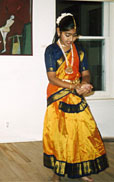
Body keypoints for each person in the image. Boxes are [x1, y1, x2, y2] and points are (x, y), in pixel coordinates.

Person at [43, 13, 109, 182]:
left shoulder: (79, 50)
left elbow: (85, 73)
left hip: (76, 94)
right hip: (58, 95)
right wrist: (75, 86)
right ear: (59, 31)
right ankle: (56, 173)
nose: (71, 39)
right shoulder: (51, 50)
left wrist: (85, 84)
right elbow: (52, 77)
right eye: (67, 35)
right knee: (60, 135)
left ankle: (82, 170)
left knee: (83, 132)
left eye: (74, 35)